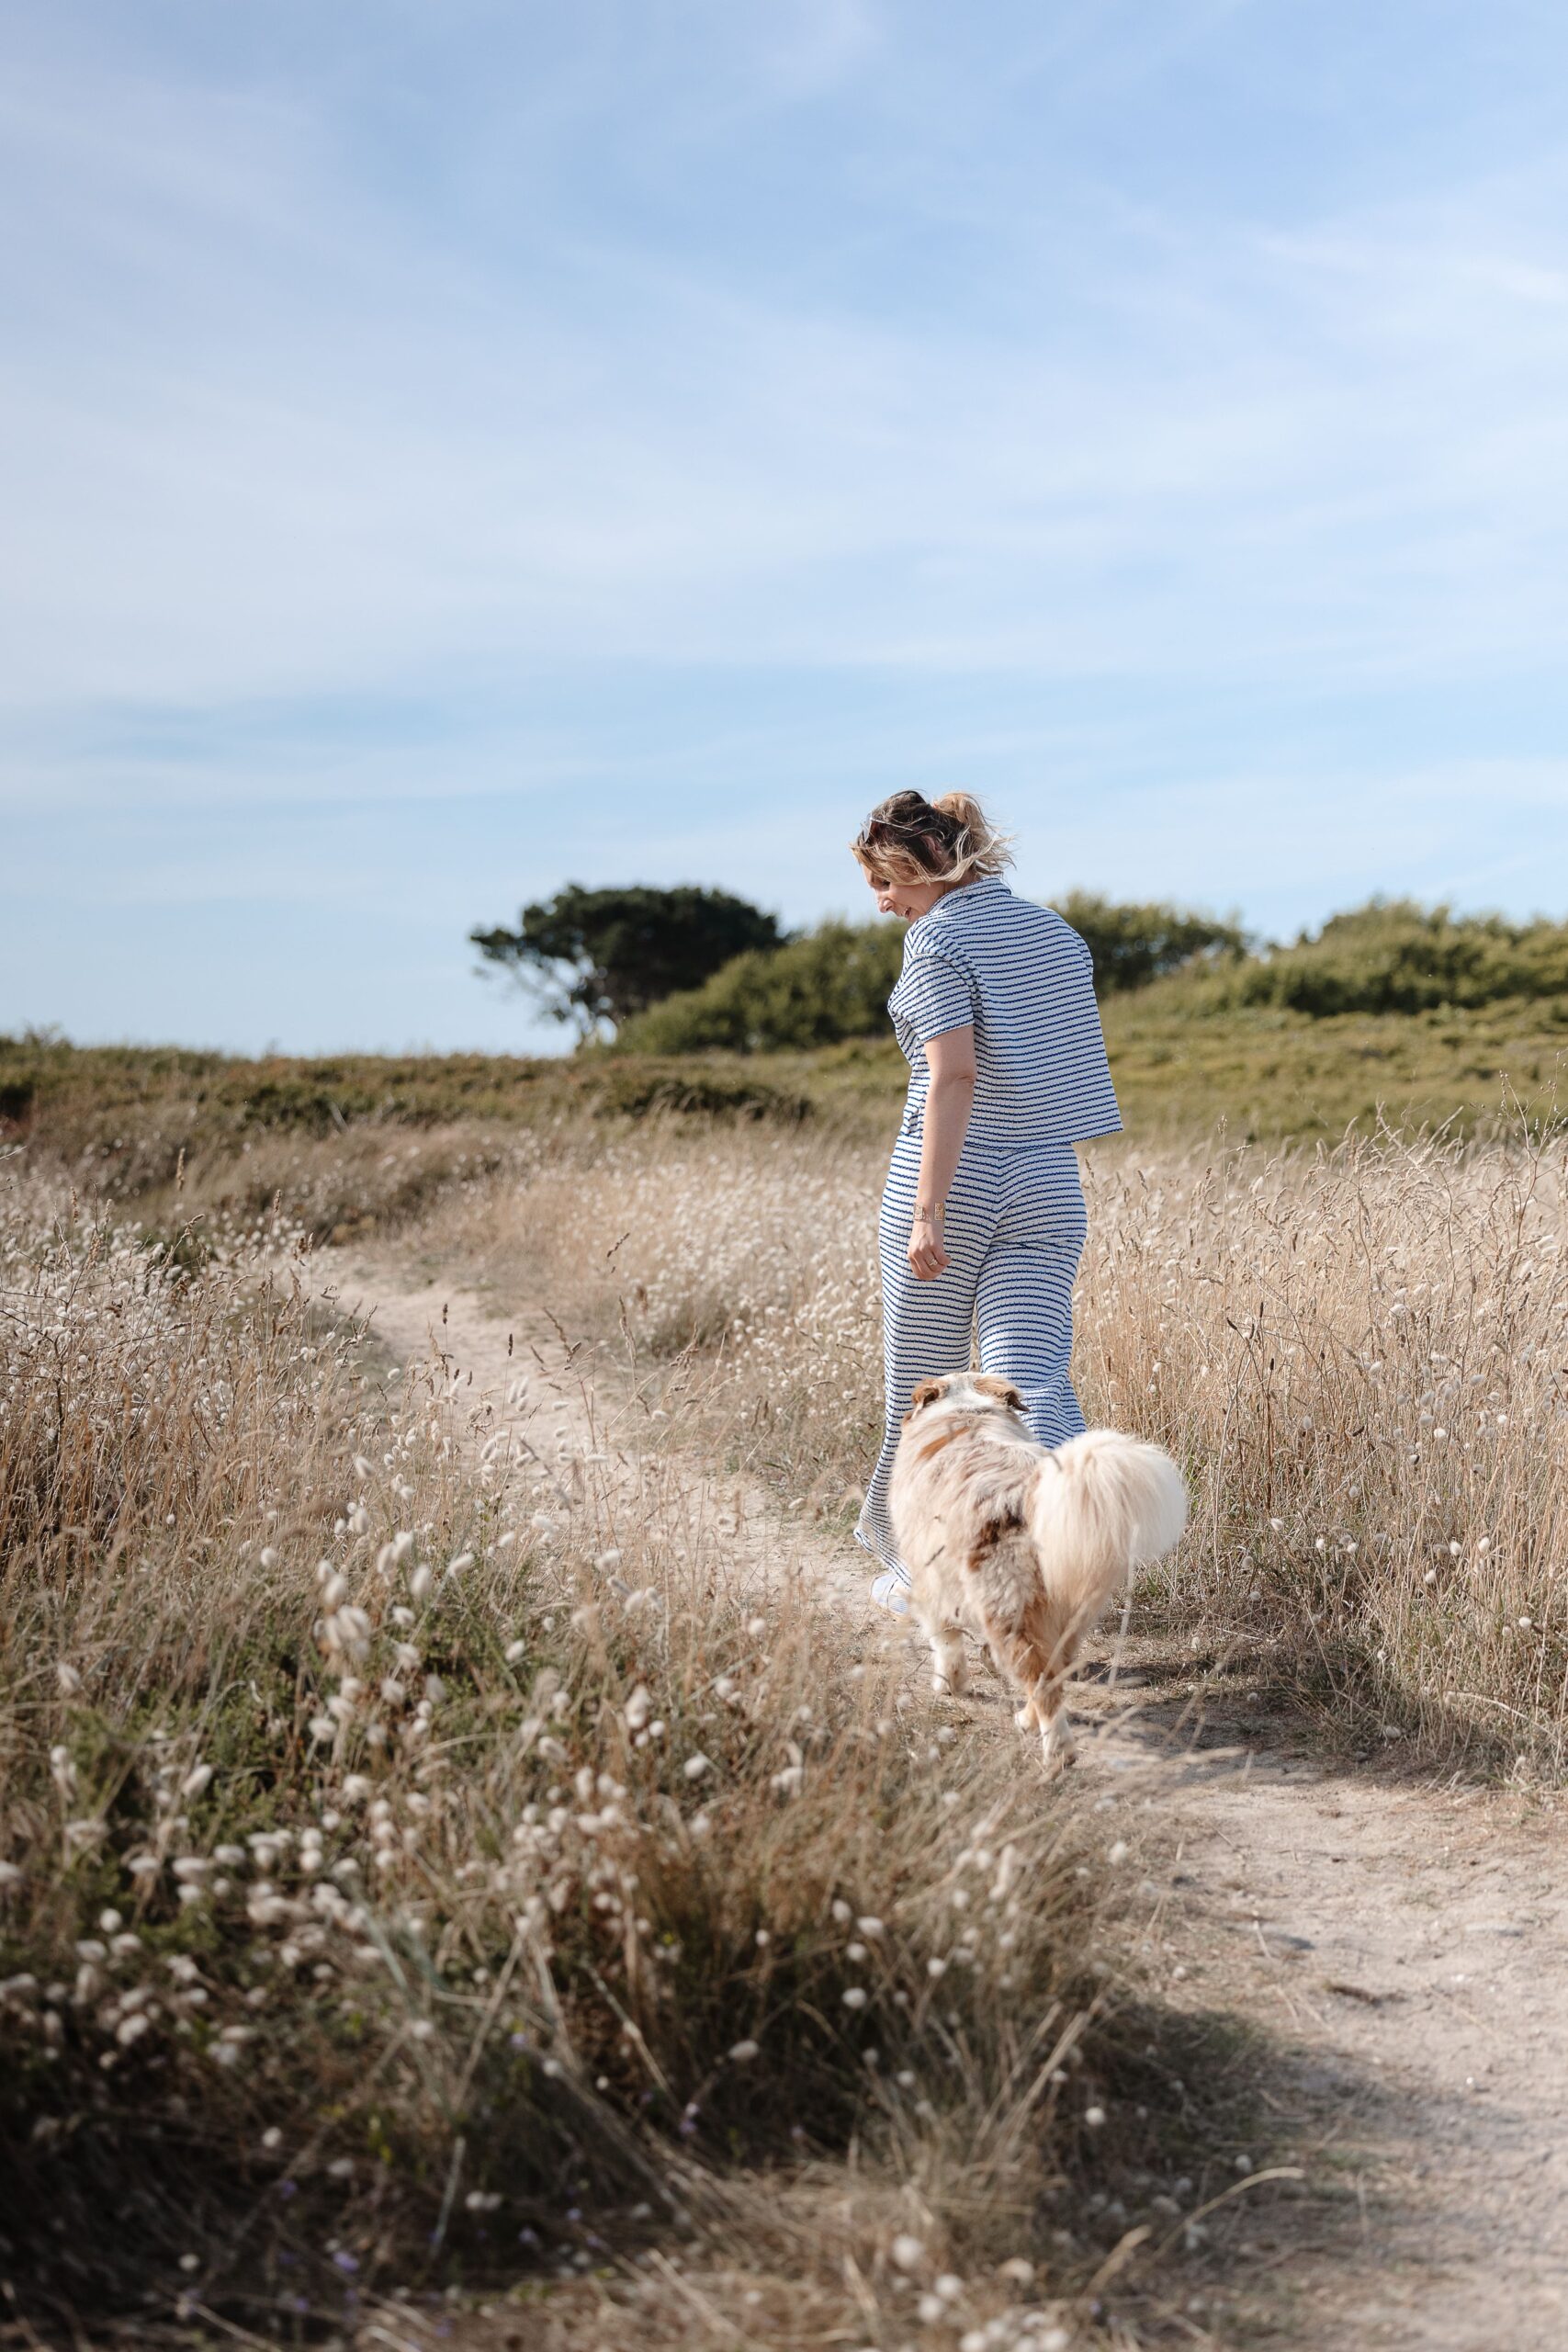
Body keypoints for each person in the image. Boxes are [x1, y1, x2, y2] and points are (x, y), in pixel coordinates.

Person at [851, 790, 1122, 1612]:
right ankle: (1083, 1549)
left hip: (952, 1179)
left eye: (881, 882)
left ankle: (917, 1571)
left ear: (917, 864)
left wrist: (928, 1210)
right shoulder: (1055, 932)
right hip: (1046, 1176)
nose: (881, 903)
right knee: (1030, 1378)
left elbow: (954, 1074)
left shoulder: (936, 940)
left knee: (924, 1389)